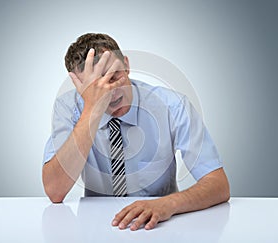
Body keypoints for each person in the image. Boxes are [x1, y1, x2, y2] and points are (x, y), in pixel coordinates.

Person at [42, 33, 230, 231]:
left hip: (161, 226)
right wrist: (92, 109)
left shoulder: (172, 106)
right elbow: (55, 191)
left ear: (126, 65)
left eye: (114, 76)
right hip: (96, 227)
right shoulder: (68, 108)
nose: (111, 93)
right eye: (95, 87)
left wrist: (168, 204)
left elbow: (218, 185)